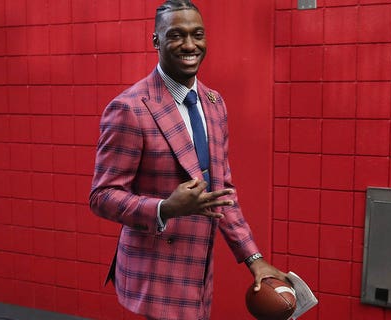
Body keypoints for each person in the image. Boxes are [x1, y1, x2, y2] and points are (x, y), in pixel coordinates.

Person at [89, 1, 288, 319]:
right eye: (176, 35)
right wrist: (164, 208)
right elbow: (102, 198)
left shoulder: (214, 103)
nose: (189, 44)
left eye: (197, 34)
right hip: (155, 271)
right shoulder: (130, 108)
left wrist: (254, 258)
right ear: (156, 40)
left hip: (198, 268)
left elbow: (223, 192)